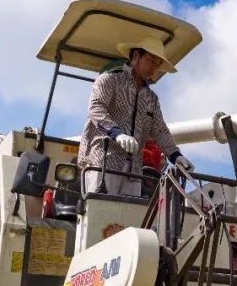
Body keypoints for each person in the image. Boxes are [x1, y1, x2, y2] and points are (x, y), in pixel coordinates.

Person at [80, 37, 194, 195]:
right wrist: (117, 133)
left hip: (134, 169)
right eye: (151, 61)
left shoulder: (151, 98)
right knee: (100, 211)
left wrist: (176, 156)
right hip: (104, 161)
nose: (154, 68)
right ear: (135, 57)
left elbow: (160, 130)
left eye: (158, 64)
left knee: (129, 217)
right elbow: (96, 107)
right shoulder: (110, 79)